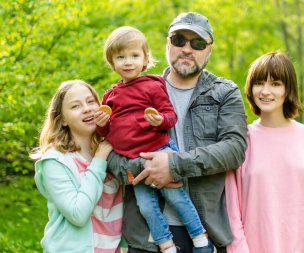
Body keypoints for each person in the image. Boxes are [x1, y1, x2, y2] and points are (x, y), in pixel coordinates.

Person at [106, 12, 247, 253]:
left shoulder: (225, 92)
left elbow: (234, 149)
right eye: (179, 39)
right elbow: (108, 152)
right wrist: (143, 168)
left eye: (198, 43)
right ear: (167, 44)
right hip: (146, 237)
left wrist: (174, 166)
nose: (187, 49)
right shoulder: (134, 90)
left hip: (205, 231)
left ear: (209, 50)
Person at [95, 26, 210, 253]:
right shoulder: (110, 96)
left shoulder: (152, 85)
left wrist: (159, 120)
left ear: (145, 59)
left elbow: (170, 115)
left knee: (176, 197)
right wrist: (101, 124)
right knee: (146, 207)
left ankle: (200, 236)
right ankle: (165, 243)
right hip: (133, 161)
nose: (128, 62)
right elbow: (108, 134)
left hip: (159, 150)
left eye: (134, 56)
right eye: (121, 57)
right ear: (112, 62)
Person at [225, 52, 304, 253]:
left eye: (275, 84)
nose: (265, 91)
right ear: (250, 88)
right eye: (259, 83)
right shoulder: (241, 139)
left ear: (287, 89)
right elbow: (231, 207)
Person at [30, 80, 123, 253]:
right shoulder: (55, 161)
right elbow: (77, 214)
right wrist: (99, 159)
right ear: (63, 120)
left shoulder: (112, 152)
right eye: (75, 106)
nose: (87, 109)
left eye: (90, 101)